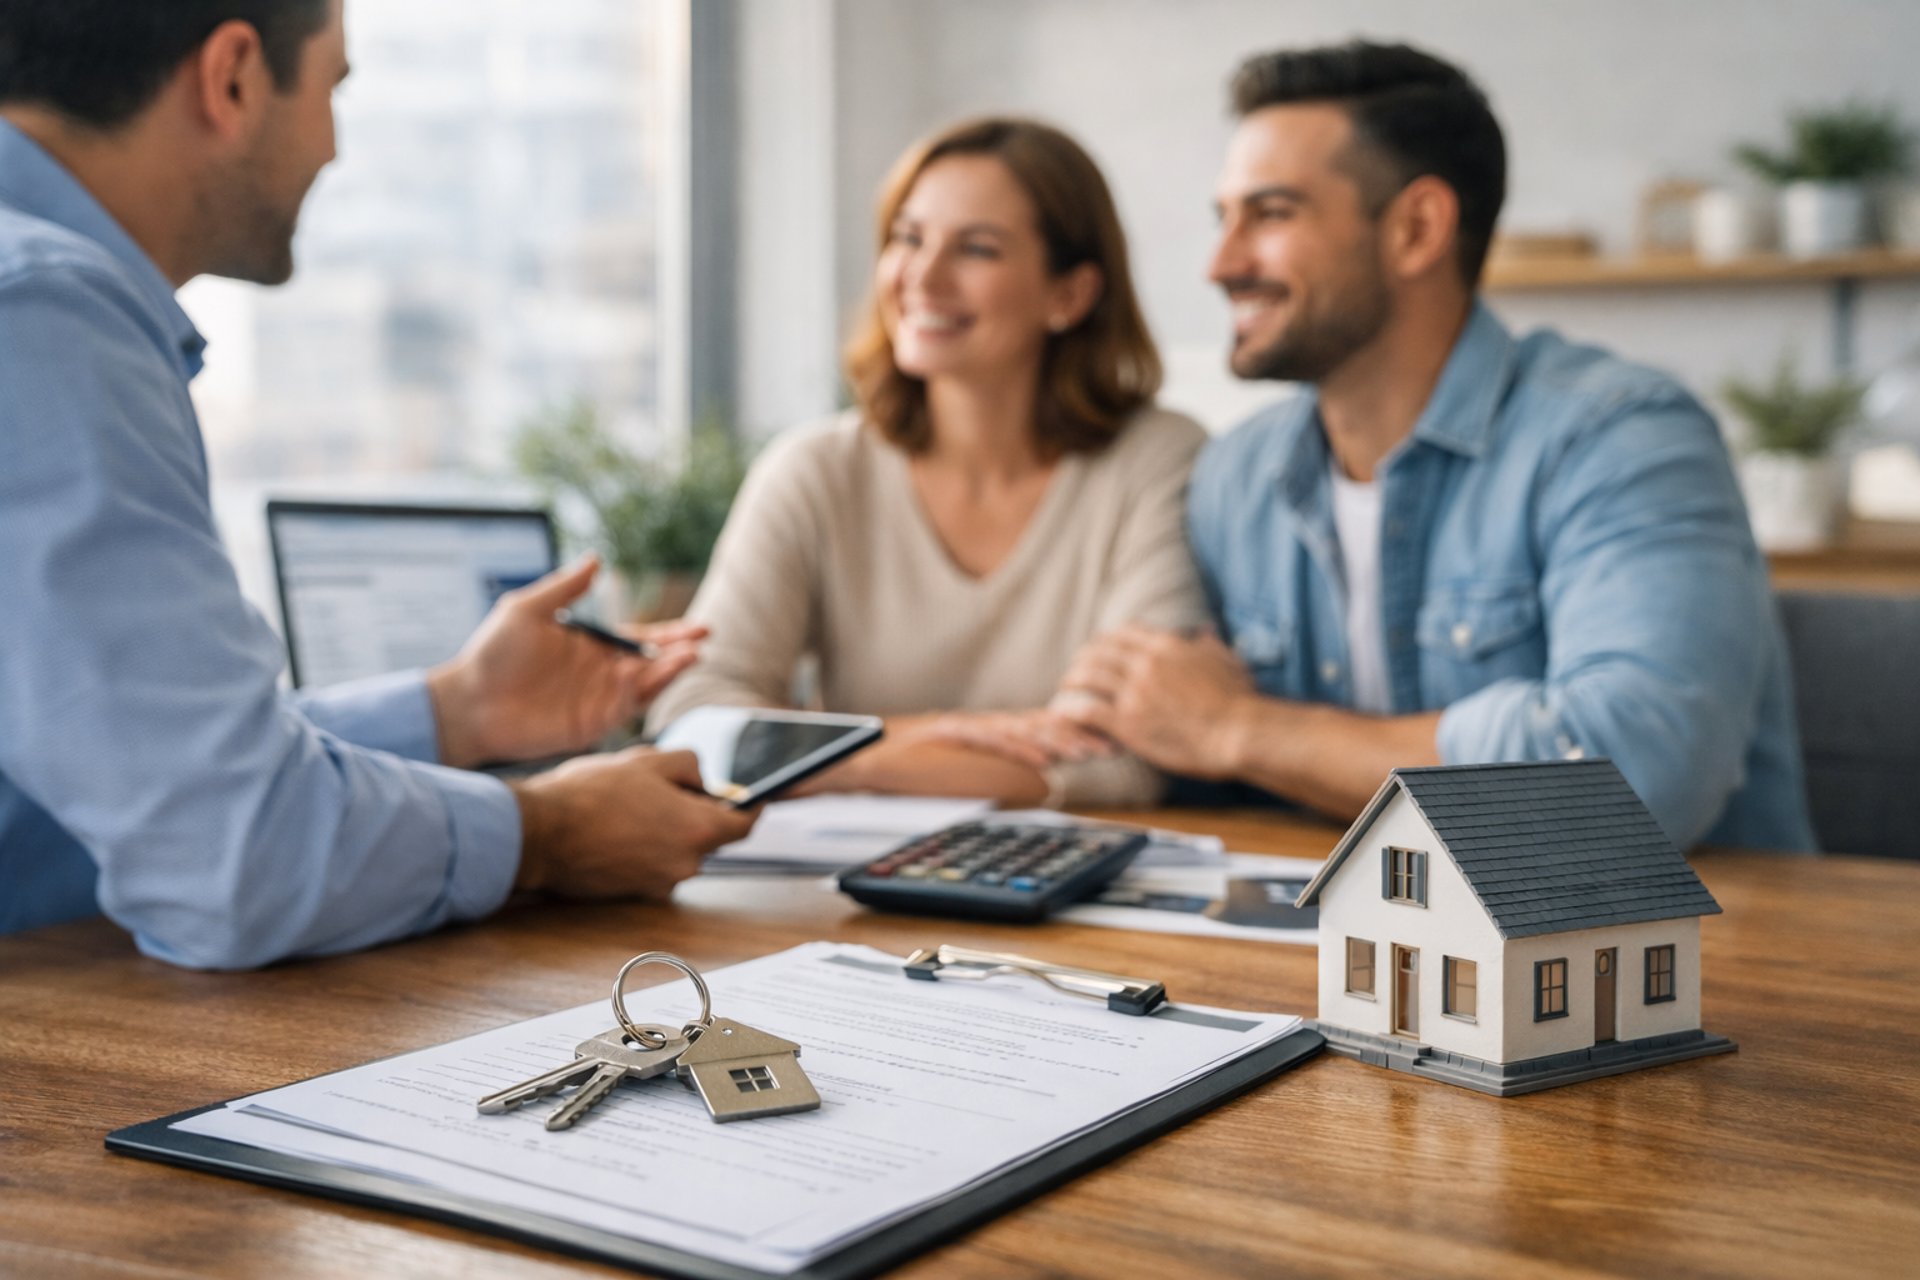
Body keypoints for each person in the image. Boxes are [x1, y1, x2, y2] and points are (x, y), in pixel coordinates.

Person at [0, 0, 755, 968]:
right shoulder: (42, 314)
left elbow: (151, 780)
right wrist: (548, 832)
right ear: (232, 77)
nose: (333, 147)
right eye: (333, 89)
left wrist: (458, 708)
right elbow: (234, 857)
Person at [1058, 41, 1815, 851]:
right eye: (1224, 219)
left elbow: (1635, 778)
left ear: (1417, 229)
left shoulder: (1623, 438)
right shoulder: (1234, 478)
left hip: (1675, 962)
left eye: (1271, 214)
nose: (1221, 264)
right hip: (1348, 952)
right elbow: (1170, 743)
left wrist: (1242, 728)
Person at [646, 117, 1209, 807]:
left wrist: (816, 755)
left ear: (1071, 294)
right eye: (908, 238)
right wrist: (910, 738)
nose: (923, 277)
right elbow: (692, 722)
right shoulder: (815, 471)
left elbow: (1121, 756)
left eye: (976, 248)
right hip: (839, 897)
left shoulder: (1157, 461)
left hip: (1071, 899)